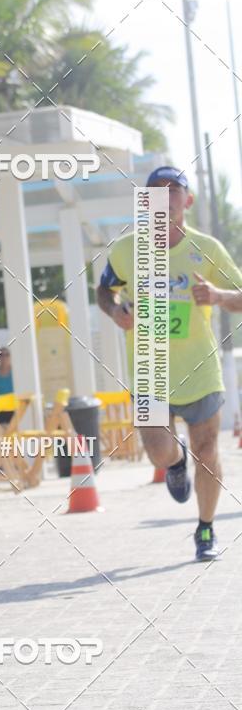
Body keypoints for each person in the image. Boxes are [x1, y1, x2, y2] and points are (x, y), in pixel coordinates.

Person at [97, 166, 242, 561]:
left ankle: (206, 529)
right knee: (161, 452)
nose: (164, 196)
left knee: (208, 449)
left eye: (173, 189)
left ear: (187, 200)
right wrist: (115, 312)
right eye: (155, 191)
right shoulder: (126, 250)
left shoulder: (207, 248)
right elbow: (104, 291)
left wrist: (216, 295)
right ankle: (175, 463)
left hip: (200, 368)